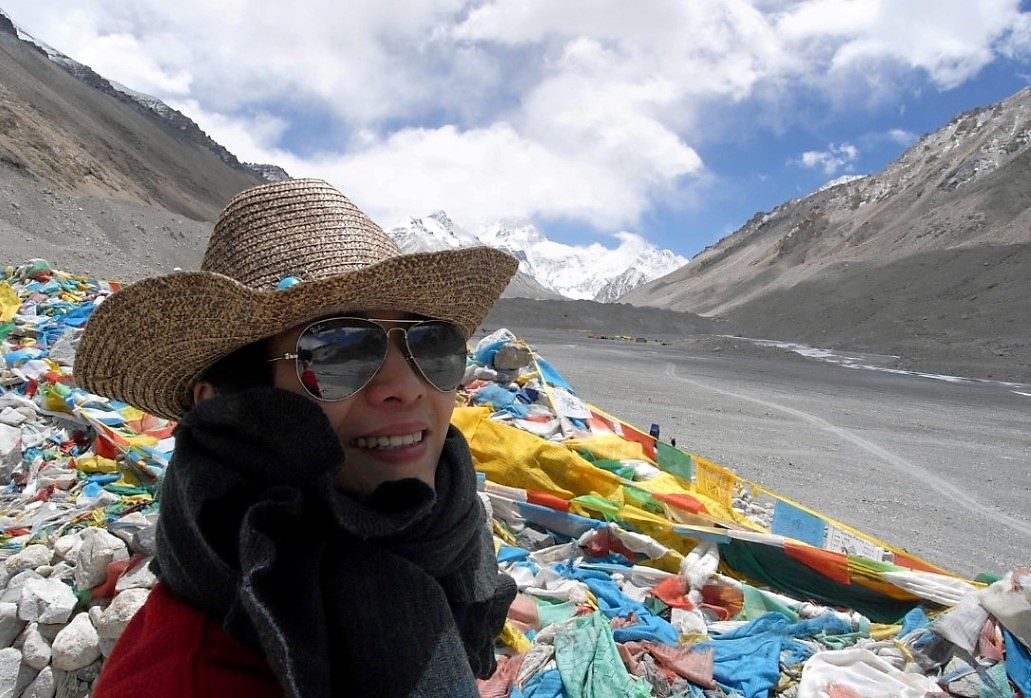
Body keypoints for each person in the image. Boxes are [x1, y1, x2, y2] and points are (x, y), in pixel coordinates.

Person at [74, 178, 521, 697]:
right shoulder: (185, 680)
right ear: (221, 405)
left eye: (433, 345)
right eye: (336, 352)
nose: (406, 387)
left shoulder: (443, 543)